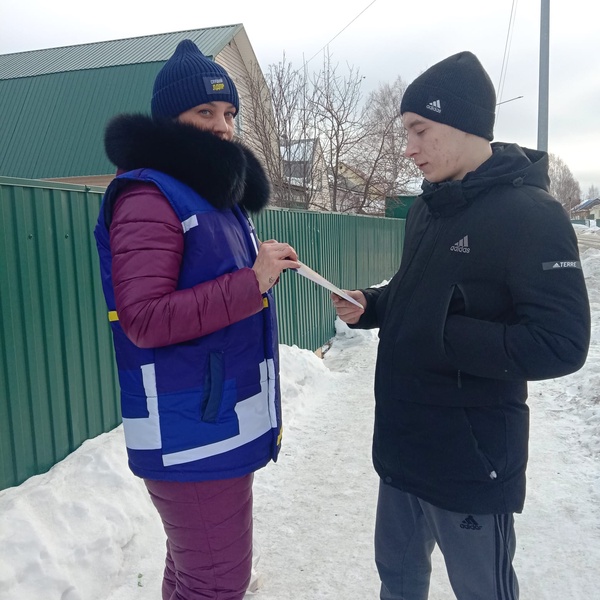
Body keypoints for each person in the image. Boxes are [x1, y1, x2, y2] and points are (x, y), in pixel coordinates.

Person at [332, 51, 590, 600]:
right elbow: (416, 288)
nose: (408, 147)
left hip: (470, 462)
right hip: (402, 447)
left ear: (463, 122)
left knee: (482, 590)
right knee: (397, 578)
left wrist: (445, 333)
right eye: (405, 132)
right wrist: (373, 305)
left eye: (418, 130)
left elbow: (562, 344)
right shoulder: (429, 209)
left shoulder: (532, 214)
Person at [94, 39, 300, 600]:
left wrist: (256, 267)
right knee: (215, 583)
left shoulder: (211, 198)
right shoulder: (148, 195)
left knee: (195, 573)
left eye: (229, 113)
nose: (222, 126)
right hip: (189, 431)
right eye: (204, 112)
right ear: (171, 120)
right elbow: (144, 318)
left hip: (215, 421)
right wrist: (250, 281)